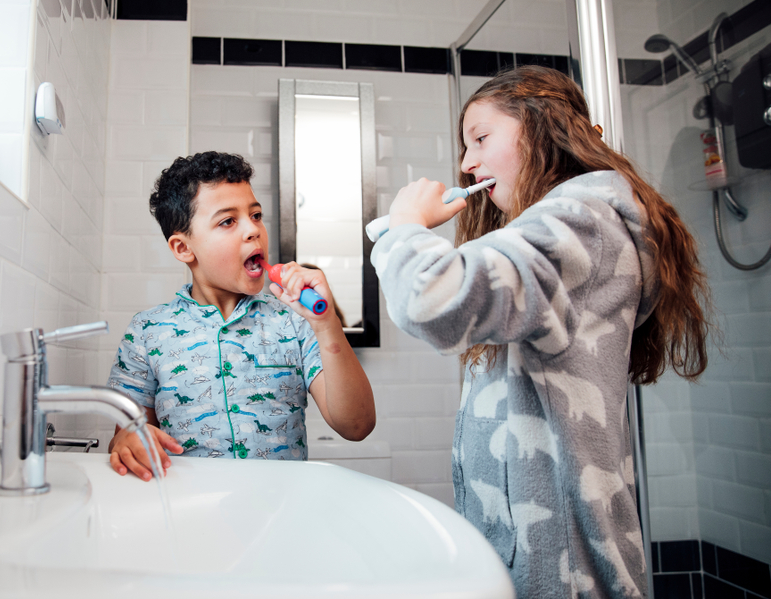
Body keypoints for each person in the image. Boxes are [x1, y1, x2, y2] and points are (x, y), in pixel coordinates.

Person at [372, 66, 710, 598]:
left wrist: (407, 227)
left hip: (561, 564)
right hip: (547, 551)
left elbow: (430, 299)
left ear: (542, 126)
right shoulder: (573, 226)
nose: (467, 162)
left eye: (481, 138)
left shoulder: (581, 220)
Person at [107, 151, 375, 480]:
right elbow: (127, 437)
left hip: (280, 513)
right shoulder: (147, 332)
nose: (253, 230)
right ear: (183, 248)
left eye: (256, 215)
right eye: (228, 221)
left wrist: (327, 324)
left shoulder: (293, 321)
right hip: (188, 515)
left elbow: (357, 425)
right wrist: (126, 438)